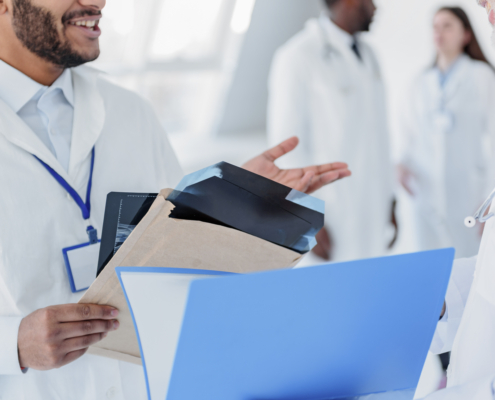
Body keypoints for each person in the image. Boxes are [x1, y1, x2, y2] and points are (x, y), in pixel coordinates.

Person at [0, 0, 352, 398]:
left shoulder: (130, 111)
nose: (97, 2)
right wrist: (12, 343)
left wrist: (232, 199)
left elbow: (176, 251)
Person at [267, 0, 397, 262]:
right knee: (329, 294)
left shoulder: (370, 54)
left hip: (372, 202)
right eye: (370, 1)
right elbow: (286, 146)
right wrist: (303, 216)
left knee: (369, 288)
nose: (375, 7)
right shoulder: (297, 55)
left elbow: (379, 135)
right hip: (329, 211)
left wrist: (390, 197)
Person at [398, 7, 495, 259]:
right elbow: (406, 133)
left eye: (448, 26)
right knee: (429, 269)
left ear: (466, 35)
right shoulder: (419, 82)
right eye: (435, 26)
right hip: (425, 190)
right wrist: (400, 164)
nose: (439, 32)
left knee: (467, 269)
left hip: (469, 192)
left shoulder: (483, 77)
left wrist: (489, 199)